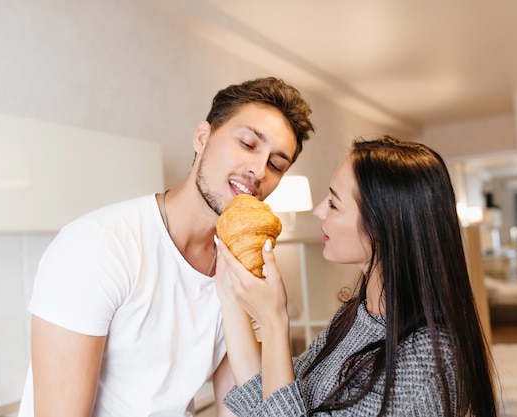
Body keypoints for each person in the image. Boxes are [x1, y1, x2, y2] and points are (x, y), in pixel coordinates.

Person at [17, 77, 315, 417]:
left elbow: (240, 407)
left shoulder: (240, 272)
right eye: (248, 143)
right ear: (202, 137)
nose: (259, 170)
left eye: (277, 164)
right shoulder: (99, 245)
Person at [215, 135, 497, 416]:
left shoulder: (430, 363)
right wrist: (228, 294)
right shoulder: (355, 318)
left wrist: (274, 322)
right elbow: (268, 400)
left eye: (334, 204)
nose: (318, 211)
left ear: (383, 226)